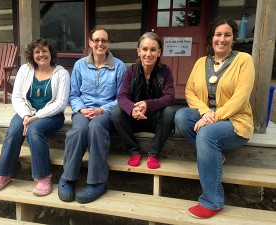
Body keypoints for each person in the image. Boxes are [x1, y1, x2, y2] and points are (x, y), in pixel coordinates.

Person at [174, 17, 255, 219]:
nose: (222, 39)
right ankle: (215, 155)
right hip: (208, 116)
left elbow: (241, 98)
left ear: (233, 38)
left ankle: (213, 201)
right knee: (181, 116)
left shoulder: (244, 60)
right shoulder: (201, 62)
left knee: (207, 135)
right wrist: (205, 112)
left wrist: (214, 117)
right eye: (218, 34)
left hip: (234, 122)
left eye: (227, 35)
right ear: (211, 38)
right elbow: (190, 91)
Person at [0, 39, 70, 196]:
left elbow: (60, 103)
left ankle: (43, 176)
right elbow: (16, 97)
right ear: (32, 55)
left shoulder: (62, 73)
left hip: (51, 115)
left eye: (44, 51)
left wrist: (36, 117)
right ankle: (4, 174)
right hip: (26, 112)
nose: (41, 55)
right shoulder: (25, 70)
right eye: (37, 52)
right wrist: (26, 115)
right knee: (14, 130)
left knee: (35, 131)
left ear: (51, 53)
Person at [58, 26, 127, 203]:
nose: (100, 43)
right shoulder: (80, 65)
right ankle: (68, 178)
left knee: (96, 128)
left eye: (104, 40)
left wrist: (102, 110)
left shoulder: (119, 66)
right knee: (79, 130)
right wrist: (81, 109)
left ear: (109, 43)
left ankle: (97, 182)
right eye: (96, 40)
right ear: (90, 43)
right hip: (83, 110)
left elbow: (122, 97)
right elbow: (73, 94)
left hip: (105, 112)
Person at [111, 32, 175, 169]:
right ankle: (134, 151)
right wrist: (132, 109)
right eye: (145, 49)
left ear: (159, 52)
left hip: (155, 119)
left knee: (169, 112)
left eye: (153, 49)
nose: (148, 54)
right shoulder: (131, 71)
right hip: (135, 119)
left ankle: (153, 153)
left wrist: (148, 104)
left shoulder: (165, 71)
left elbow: (169, 97)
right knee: (116, 112)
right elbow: (122, 96)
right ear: (138, 52)